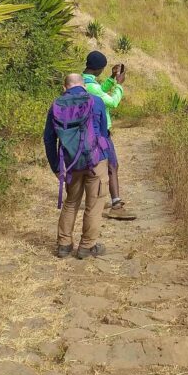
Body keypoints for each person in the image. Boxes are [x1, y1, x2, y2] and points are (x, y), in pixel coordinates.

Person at [44, 73, 110, 259]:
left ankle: (64, 245)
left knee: (71, 202)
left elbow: (49, 140)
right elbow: (104, 133)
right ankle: (87, 246)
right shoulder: (96, 101)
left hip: (70, 163)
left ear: (64, 88)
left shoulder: (56, 105)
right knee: (94, 203)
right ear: (84, 86)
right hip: (96, 160)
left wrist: (57, 167)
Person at [82, 51, 134, 219]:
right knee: (112, 165)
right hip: (100, 132)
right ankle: (116, 204)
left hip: (88, 130)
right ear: (99, 69)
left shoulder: (83, 81)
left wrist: (111, 79)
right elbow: (112, 102)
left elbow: (99, 90)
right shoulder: (92, 87)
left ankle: (97, 197)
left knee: (98, 166)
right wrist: (119, 84)